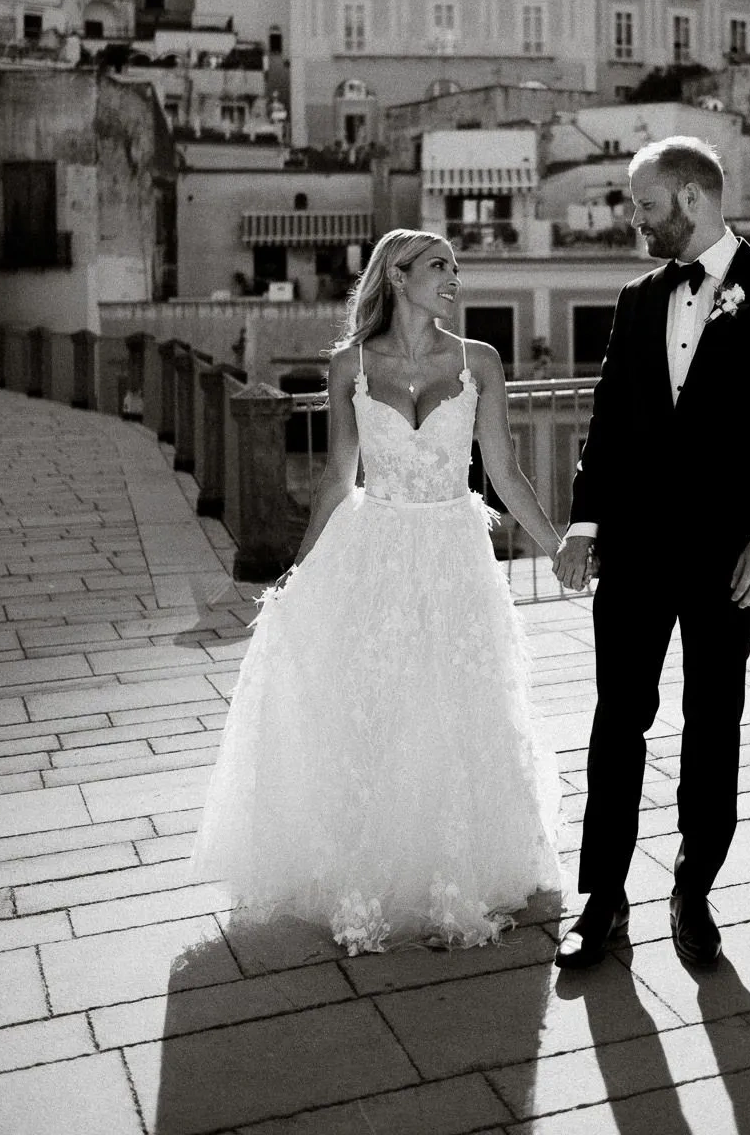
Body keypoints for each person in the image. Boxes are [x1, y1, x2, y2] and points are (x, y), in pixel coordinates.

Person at [192, 230, 563, 954]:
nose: (454, 278)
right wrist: (296, 572)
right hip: (378, 552)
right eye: (438, 267)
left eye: (455, 267)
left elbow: (504, 473)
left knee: (459, 703)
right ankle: (374, 870)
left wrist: (559, 548)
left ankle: (457, 871)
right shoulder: (349, 366)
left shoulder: (478, 360)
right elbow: (337, 479)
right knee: (380, 709)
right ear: (397, 277)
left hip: (455, 552)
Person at [552, 137, 750, 969]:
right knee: (618, 720)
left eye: (642, 205)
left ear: (692, 199)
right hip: (632, 551)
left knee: (713, 721)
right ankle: (600, 895)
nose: (631, 220)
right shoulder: (637, 299)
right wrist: (584, 522)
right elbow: (605, 421)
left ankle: (693, 886)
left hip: (725, 557)